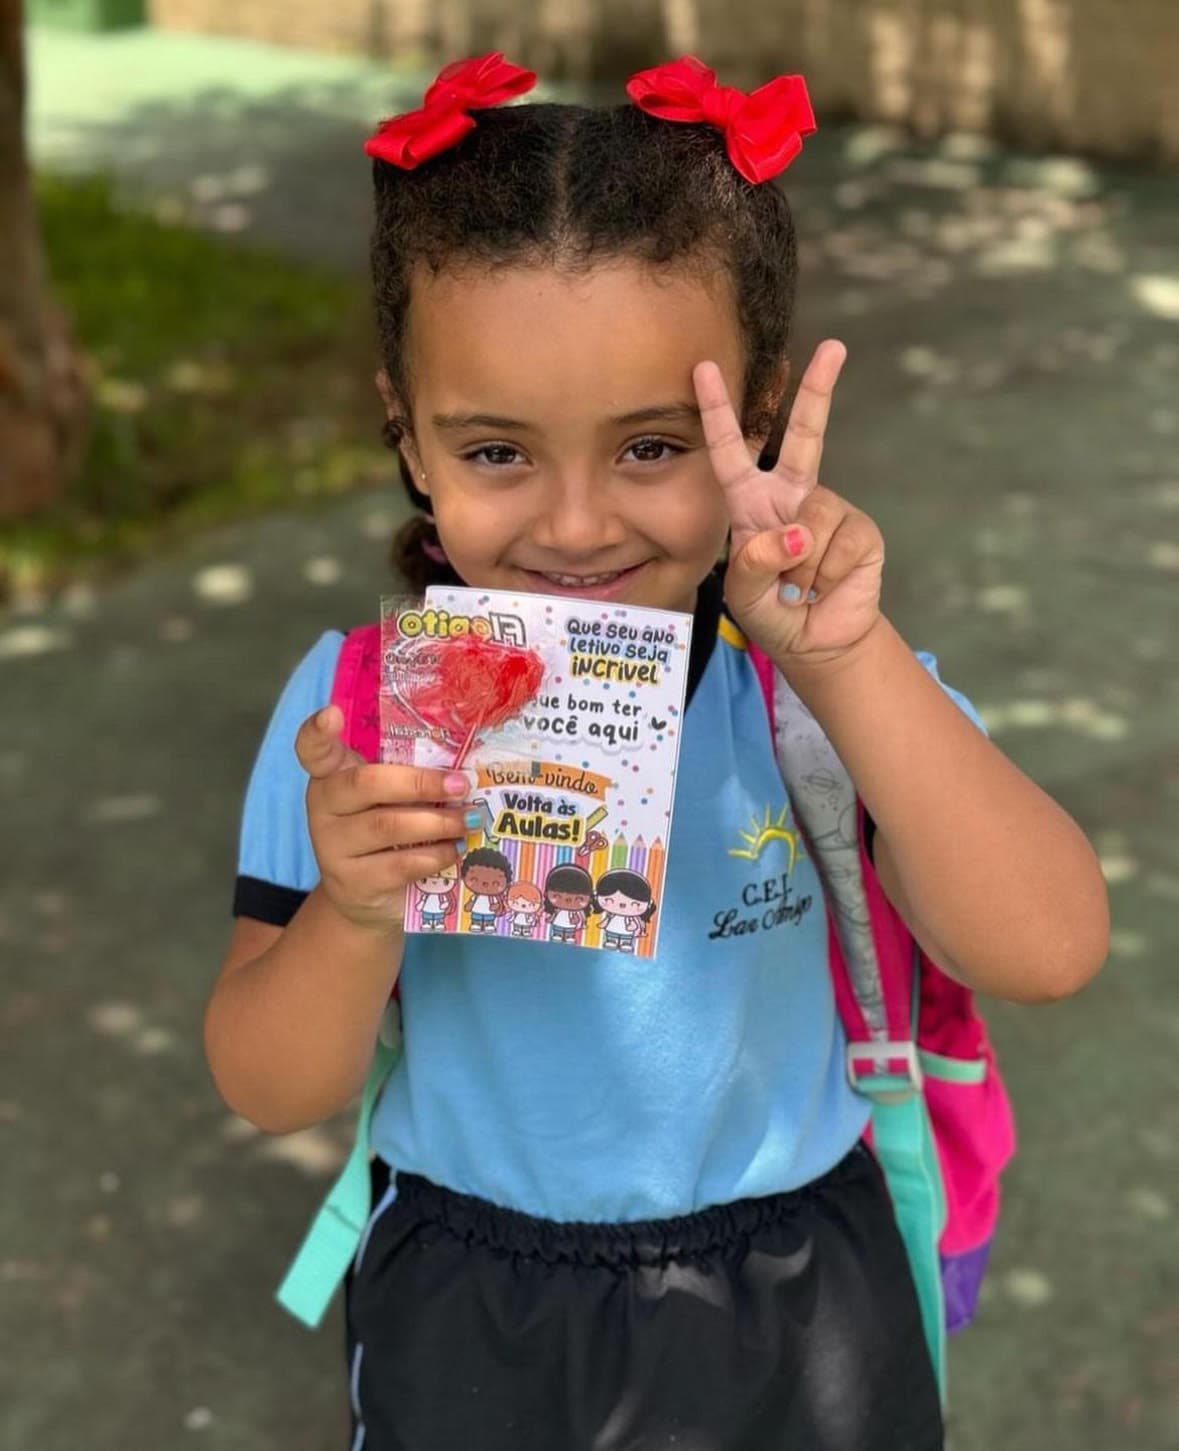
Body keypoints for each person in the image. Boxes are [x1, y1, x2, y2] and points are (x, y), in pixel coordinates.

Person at [205, 51, 1110, 1451]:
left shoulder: (812, 693)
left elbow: (1049, 948)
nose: (575, 528)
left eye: (648, 448)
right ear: (408, 436)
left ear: (757, 417)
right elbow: (271, 1087)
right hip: (471, 1300)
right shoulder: (355, 719)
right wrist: (355, 910)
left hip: (799, 1296)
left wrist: (845, 657)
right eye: (497, 452)